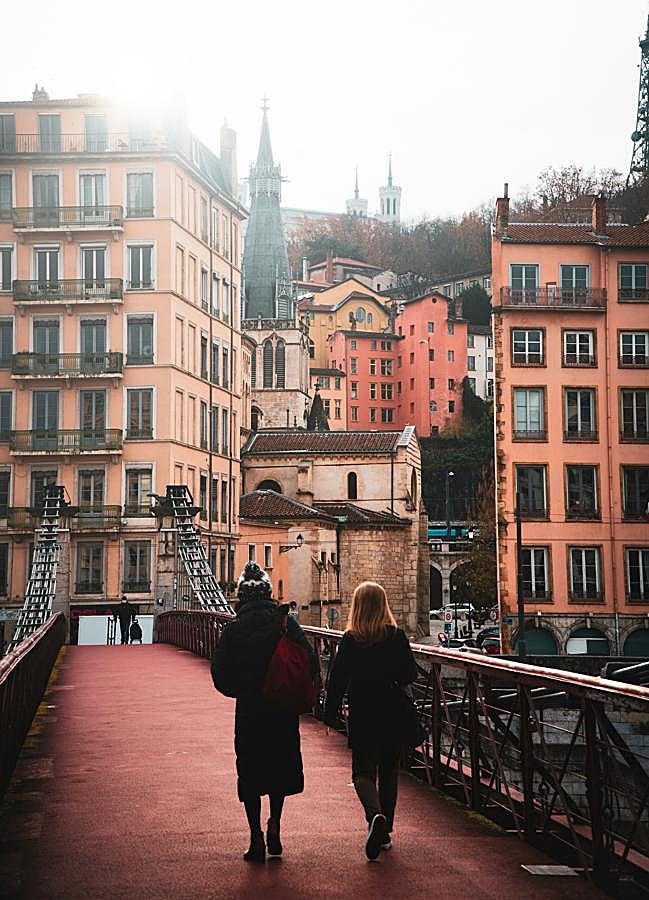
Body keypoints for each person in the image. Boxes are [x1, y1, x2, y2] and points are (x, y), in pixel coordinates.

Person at [211, 561, 317, 863]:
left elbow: (219, 674)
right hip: (282, 709)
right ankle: (276, 825)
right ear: (270, 594)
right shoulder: (286, 623)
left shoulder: (233, 629)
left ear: (241, 598)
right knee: (279, 769)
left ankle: (255, 836)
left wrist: (241, 690)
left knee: (251, 772)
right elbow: (309, 658)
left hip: (250, 711)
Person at [323, 581, 418, 861]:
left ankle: (374, 815)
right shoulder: (397, 636)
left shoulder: (351, 639)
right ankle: (385, 832)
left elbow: (337, 681)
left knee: (362, 772)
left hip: (363, 710)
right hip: (392, 710)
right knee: (389, 771)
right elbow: (410, 674)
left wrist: (329, 715)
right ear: (383, 604)